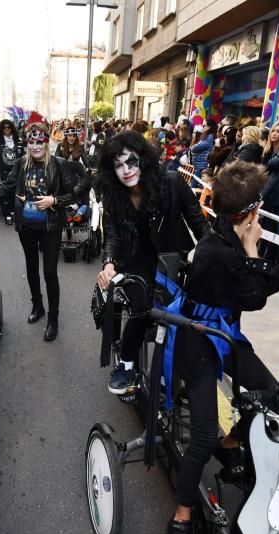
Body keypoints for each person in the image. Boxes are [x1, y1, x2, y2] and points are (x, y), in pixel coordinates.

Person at [165, 160, 279, 534]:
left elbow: (254, 286)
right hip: (197, 337)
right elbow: (254, 296)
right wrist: (254, 249)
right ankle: (182, 516)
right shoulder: (214, 251)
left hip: (224, 333)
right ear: (250, 214)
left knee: (278, 400)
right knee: (203, 434)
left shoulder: (228, 238)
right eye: (257, 212)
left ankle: (231, 444)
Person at [94, 130, 209, 394]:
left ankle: (176, 365)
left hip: (173, 258)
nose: (126, 170)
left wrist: (211, 256)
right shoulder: (114, 196)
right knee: (141, 308)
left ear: (143, 158)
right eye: (118, 165)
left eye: (130, 161)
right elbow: (111, 235)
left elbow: (200, 225)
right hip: (135, 260)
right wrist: (109, 264)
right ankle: (126, 364)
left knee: (187, 312)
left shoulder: (171, 182)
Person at [0, 122, 74, 341]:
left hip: (50, 226)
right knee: (31, 266)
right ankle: (38, 306)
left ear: (46, 142)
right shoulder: (22, 163)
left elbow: (75, 194)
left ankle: (53, 318)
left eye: (39, 142)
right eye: (30, 142)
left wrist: (54, 200)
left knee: (50, 272)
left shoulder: (59, 164)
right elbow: (6, 186)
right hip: (27, 227)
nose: (34, 146)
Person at [0, 119, 23, 225]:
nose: (6, 130)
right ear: (1, 129)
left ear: (12, 128)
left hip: (17, 171)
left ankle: (14, 211)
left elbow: (23, 155)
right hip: (3, 171)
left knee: (16, 192)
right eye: (4, 128)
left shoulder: (18, 140)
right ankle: (7, 214)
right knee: (5, 193)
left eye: (8, 127)